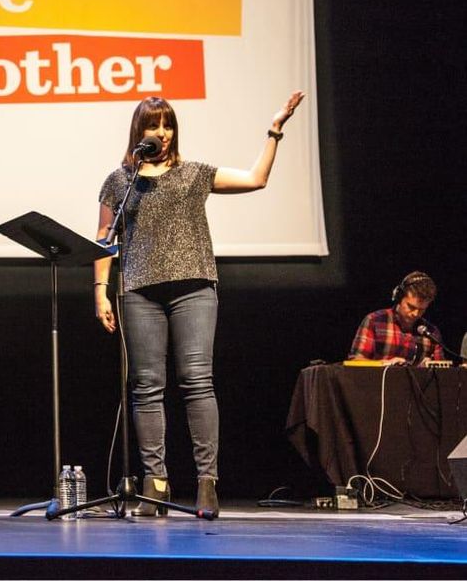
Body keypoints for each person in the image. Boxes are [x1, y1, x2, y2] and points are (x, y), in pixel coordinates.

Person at [93, 91, 304, 517]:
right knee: (146, 387)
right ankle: (155, 483)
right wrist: (101, 289)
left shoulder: (194, 173)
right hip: (138, 290)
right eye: (154, 125)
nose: (162, 133)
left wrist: (274, 131)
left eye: (168, 125)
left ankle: (207, 482)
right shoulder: (120, 181)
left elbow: (256, 179)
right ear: (139, 131)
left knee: (196, 382)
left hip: (194, 288)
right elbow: (104, 237)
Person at [348, 272, 442, 365]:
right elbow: (355, 362)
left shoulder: (431, 333)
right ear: (399, 298)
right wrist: (386, 364)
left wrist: (428, 368)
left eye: (421, 310)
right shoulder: (374, 321)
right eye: (411, 307)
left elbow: (443, 370)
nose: (415, 314)